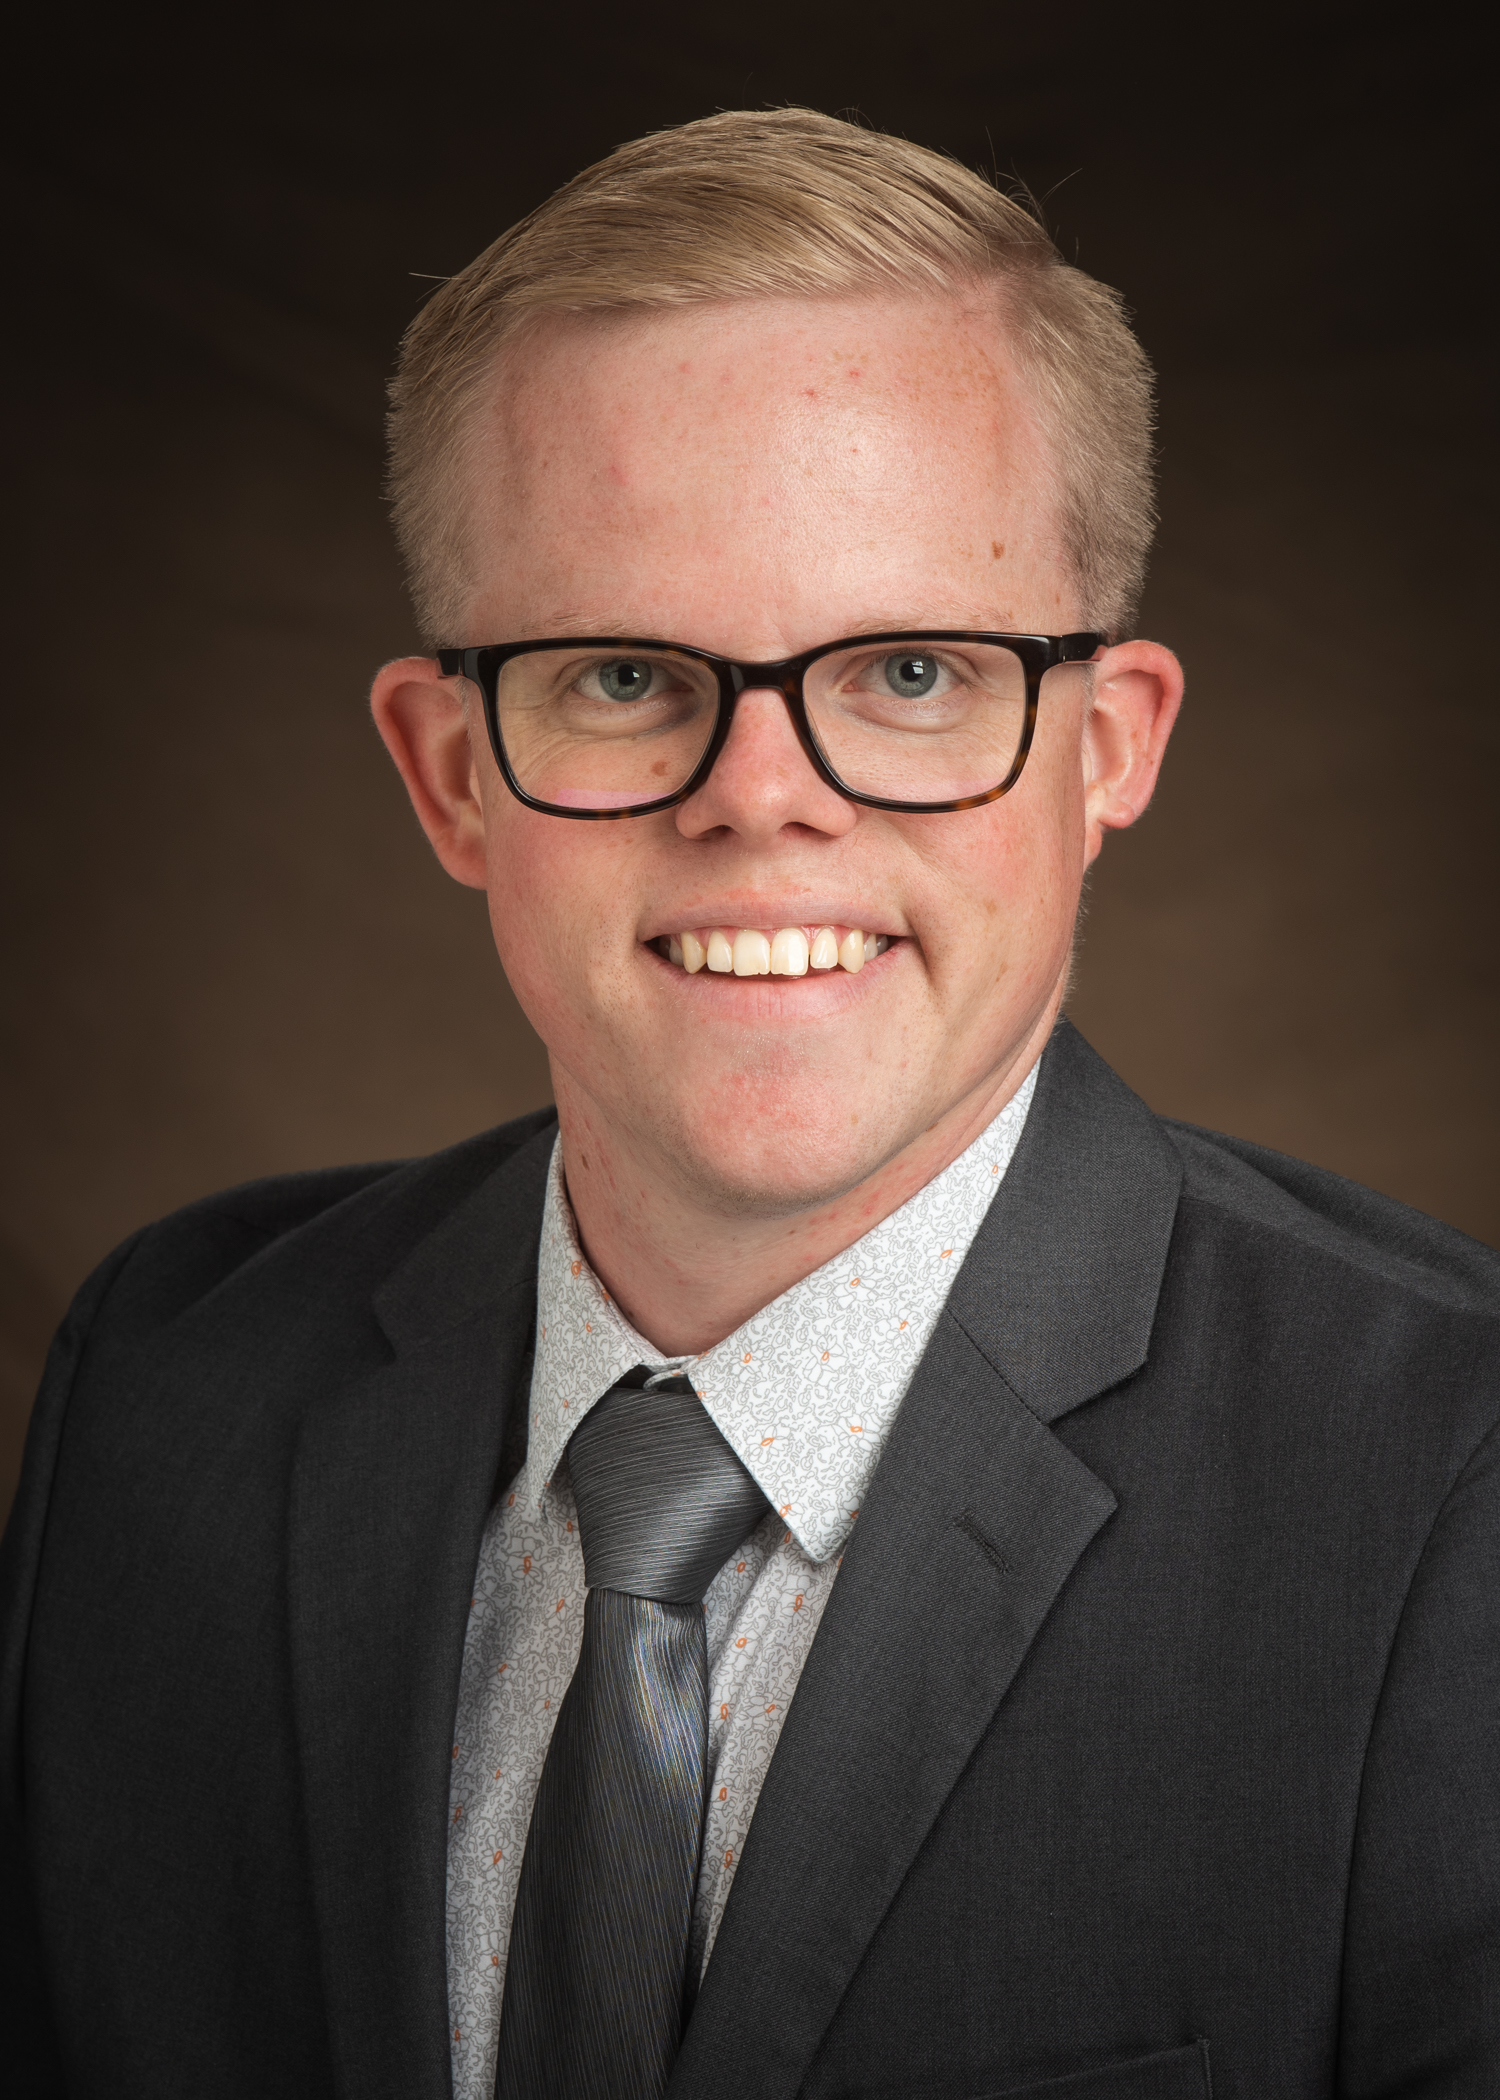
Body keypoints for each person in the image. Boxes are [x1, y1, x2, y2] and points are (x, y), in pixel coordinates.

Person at [2, 106, 1496, 2100]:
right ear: (450, 773)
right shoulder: (171, 1388)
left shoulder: (1454, 1488)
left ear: (1107, 751)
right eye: (624, 675)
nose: (761, 798)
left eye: (910, 672)